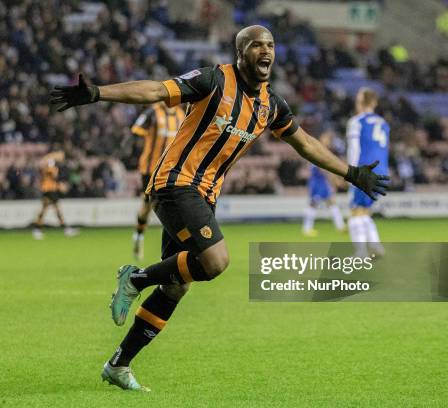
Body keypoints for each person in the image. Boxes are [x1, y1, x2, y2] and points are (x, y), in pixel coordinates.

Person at [51, 25, 389, 392]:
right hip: (175, 183)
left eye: (271, 45)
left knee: (177, 286)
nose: (266, 51)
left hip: (205, 195)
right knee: (215, 261)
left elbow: (305, 143)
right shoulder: (213, 80)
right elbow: (156, 89)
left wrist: (351, 173)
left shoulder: (271, 105)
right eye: (256, 45)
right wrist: (100, 92)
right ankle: (135, 279)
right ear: (240, 52)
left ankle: (118, 364)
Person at [131, 102, 186, 260]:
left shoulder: (181, 115)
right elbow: (136, 133)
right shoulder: (152, 112)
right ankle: (139, 235)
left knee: (174, 205)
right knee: (148, 205)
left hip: (171, 169)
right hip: (150, 169)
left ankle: (174, 247)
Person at [346, 88, 389, 257]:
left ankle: (361, 252)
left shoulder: (357, 122)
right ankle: (376, 247)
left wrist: (350, 172)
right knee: (365, 211)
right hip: (381, 171)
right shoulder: (383, 123)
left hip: (363, 169)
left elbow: (354, 148)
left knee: (355, 211)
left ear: (361, 102)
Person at [302, 132, 345, 237]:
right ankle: (307, 228)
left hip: (320, 180)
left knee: (331, 202)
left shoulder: (320, 149)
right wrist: (334, 181)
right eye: (326, 139)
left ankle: (340, 227)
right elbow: (323, 168)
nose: (328, 141)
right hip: (318, 181)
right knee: (314, 203)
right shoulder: (319, 150)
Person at [32, 150, 78, 240]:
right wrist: (59, 185)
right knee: (56, 210)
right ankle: (65, 229)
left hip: (47, 189)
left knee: (44, 210)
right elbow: (52, 176)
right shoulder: (51, 164)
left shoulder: (50, 163)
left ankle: (37, 230)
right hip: (49, 190)